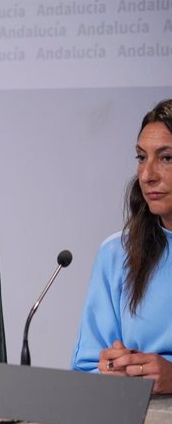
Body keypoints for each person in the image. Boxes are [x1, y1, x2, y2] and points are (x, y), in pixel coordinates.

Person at [72, 99, 172, 394]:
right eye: (141, 157)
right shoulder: (117, 253)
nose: (147, 175)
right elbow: (84, 368)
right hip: (132, 419)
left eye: (166, 158)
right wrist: (110, 371)